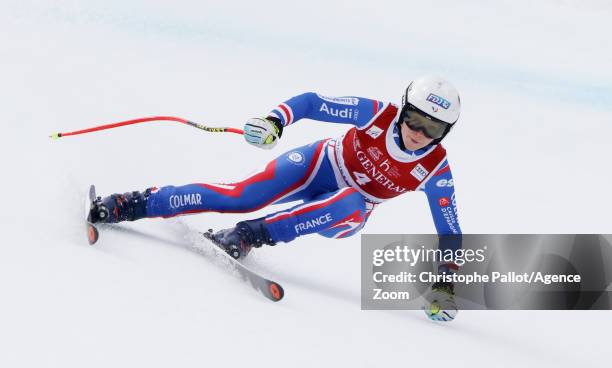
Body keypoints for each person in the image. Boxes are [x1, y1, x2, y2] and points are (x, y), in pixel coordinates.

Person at [89, 75, 463, 321]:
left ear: (445, 132)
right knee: (240, 196)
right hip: (320, 163)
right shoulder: (379, 115)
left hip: (346, 210)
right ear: (404, 109)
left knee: (350, 203)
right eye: (414, 119)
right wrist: (275, 121)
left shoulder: (434, 168)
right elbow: (313, 102)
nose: (418, 132)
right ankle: (132, 203)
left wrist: (445, 281)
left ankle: (249, 235)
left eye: (433, 128)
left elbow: (450, 230)